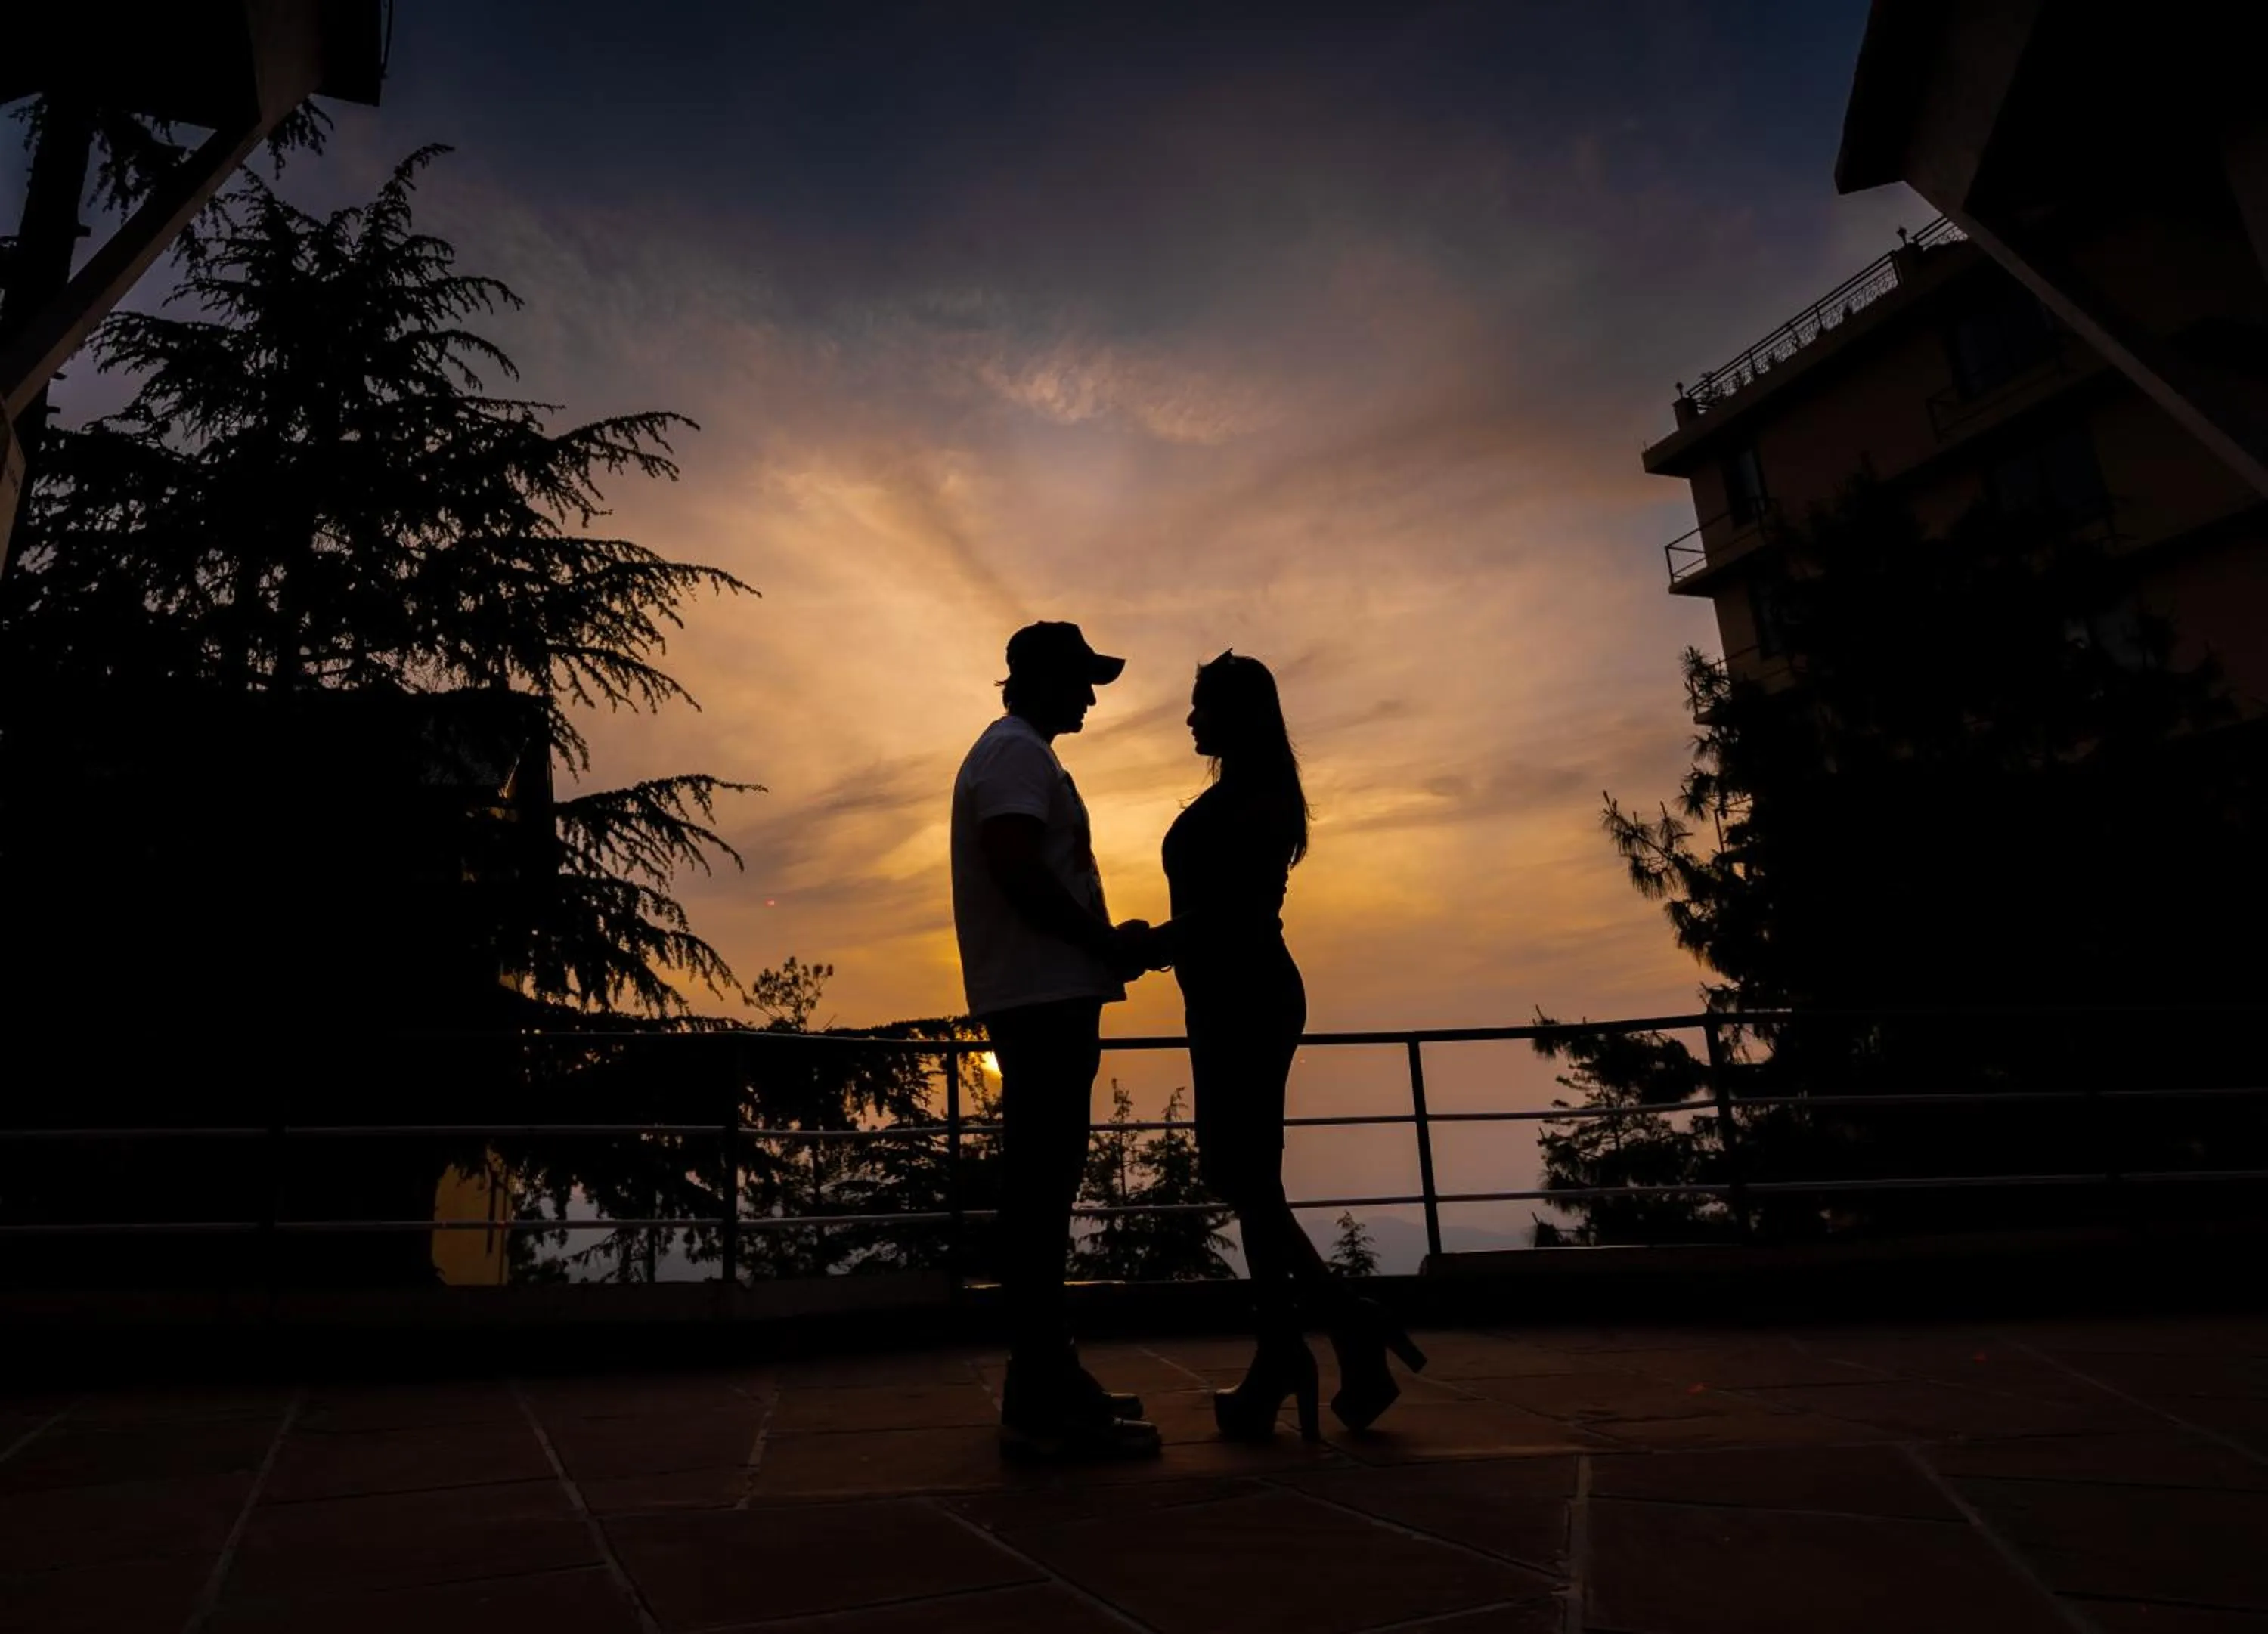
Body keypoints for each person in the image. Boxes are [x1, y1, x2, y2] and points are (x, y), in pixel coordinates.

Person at [1137, 651, 1426, 1440]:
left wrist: (1149, 944)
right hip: (1228, 996)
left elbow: (1229, 913)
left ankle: (1322, 1335)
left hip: (1246, 995)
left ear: (1237, 712)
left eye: (1202, 706)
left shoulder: (1256, 802)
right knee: (1248, 1178)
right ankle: (1301, 1344)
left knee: (1248, 1177)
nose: (1190, 719)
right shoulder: (1247, 795)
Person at [949, 620, 1161, 1459]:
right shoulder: (1016, 755)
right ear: (1043, 679)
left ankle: (1049, 1373)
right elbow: (1016, 864)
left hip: (1048, 993)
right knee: (1043, 1188)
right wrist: (1100, 942)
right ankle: (1041, 1387)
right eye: (1082, 679)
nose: (1092, 695)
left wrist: (1104, 944)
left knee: (1044, 1183)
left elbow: (1029, 866)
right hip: (1043, 999)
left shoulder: (1017, 753)